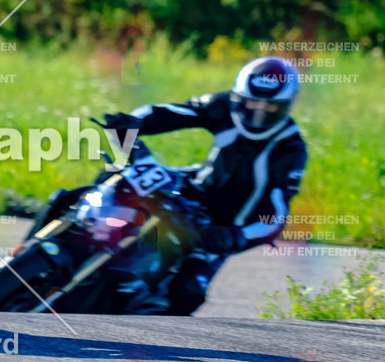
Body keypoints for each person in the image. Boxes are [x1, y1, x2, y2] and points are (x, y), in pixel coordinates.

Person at [35, 56, 308, 315]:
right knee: (112, 177)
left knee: (187, 292)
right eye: (251, 102)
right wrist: (134, 123)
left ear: (287, 106)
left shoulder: (290, 149)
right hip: (192, 189)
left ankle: (133, 333)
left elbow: (275, 218)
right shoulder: (224, 105)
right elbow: (171, 112)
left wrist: (234, 237)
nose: (257, 112)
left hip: (219, 229)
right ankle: (36, 246)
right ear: (239, 96)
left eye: (269, 106)